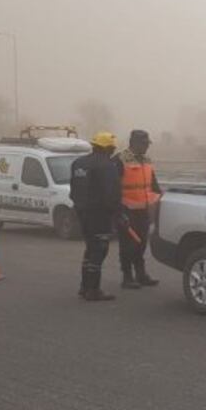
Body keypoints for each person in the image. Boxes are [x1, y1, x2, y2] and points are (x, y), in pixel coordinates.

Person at [69, 132, 121, 301]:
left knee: (90, 248)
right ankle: (93, 290)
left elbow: (73, 190)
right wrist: (117, 213)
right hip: (100, 214)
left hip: (82, 213)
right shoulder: (107, 165)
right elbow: (111, 193)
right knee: (99, 250)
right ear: (108, 148)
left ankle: (84, 287)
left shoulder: (78, 163)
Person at [114, 129, 162, 289]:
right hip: (126, 210)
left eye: (147, 144)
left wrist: (160, 197)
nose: (146, 147)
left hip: (143, 210)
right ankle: (127, 276)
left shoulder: (147, 160)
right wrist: (118, 211)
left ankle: (141, 274)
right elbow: (112, 187)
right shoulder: (120, 159)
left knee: (141, 243)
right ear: (134, 143)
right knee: (128, 245)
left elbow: (152, 183)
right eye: (144, 144)